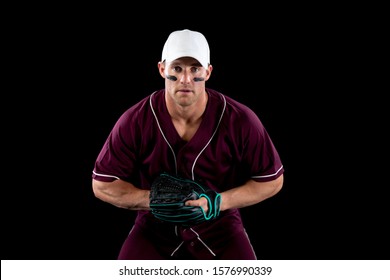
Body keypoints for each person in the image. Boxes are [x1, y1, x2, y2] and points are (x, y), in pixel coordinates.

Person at [92, 29, 284, 260]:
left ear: (208, 72)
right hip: (154, 228)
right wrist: (154, 201)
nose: (185, 79)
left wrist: (219, 202)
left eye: (195, 69)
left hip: (220, 228)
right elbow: (102, 185)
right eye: (177, 68)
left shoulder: (240, 119)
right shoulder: (135, 120)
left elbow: (272, 181)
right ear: (162, 69)